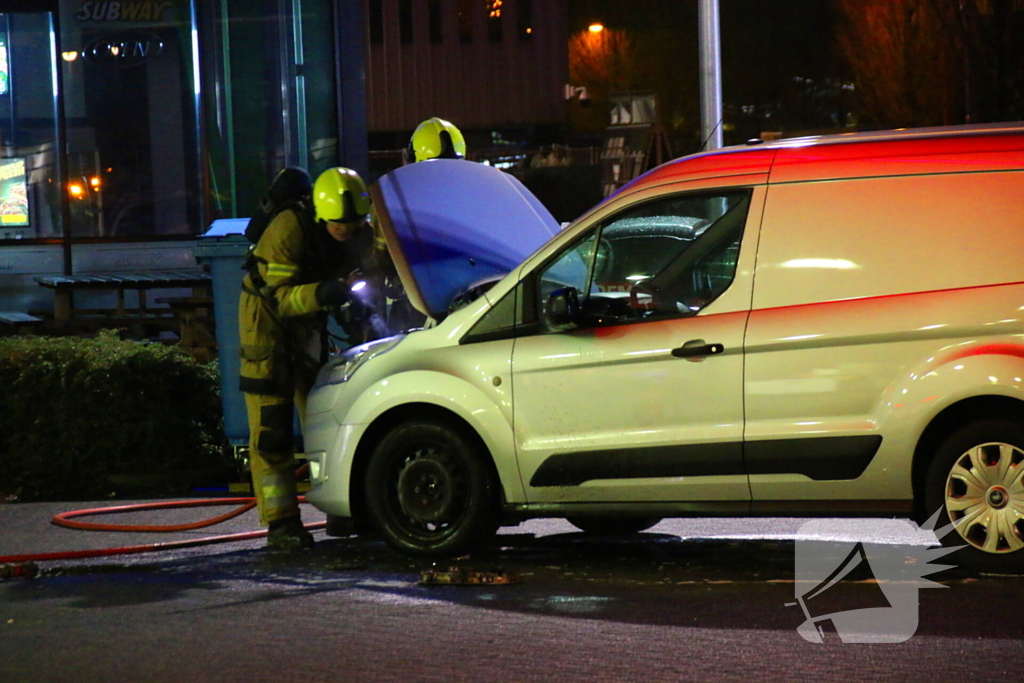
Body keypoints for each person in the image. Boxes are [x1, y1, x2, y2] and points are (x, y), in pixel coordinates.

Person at [239, 166, 376, 550]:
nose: (345, 229)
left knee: (323, 416)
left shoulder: (357, 232)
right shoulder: (288, 229)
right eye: (337, 223)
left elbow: (368, 274)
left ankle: (342, 508)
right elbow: (279, 297)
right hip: (266, 324)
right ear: (320, 214)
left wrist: (361, 314)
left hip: (310, 323)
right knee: (272, 428)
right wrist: (326, 292)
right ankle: (281, 524)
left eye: (352, 222)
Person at [378, 117, 468, 333]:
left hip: (461, 305)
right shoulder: (395, 204)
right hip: (412, 305)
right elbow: (378, 263)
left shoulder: (471, 199)